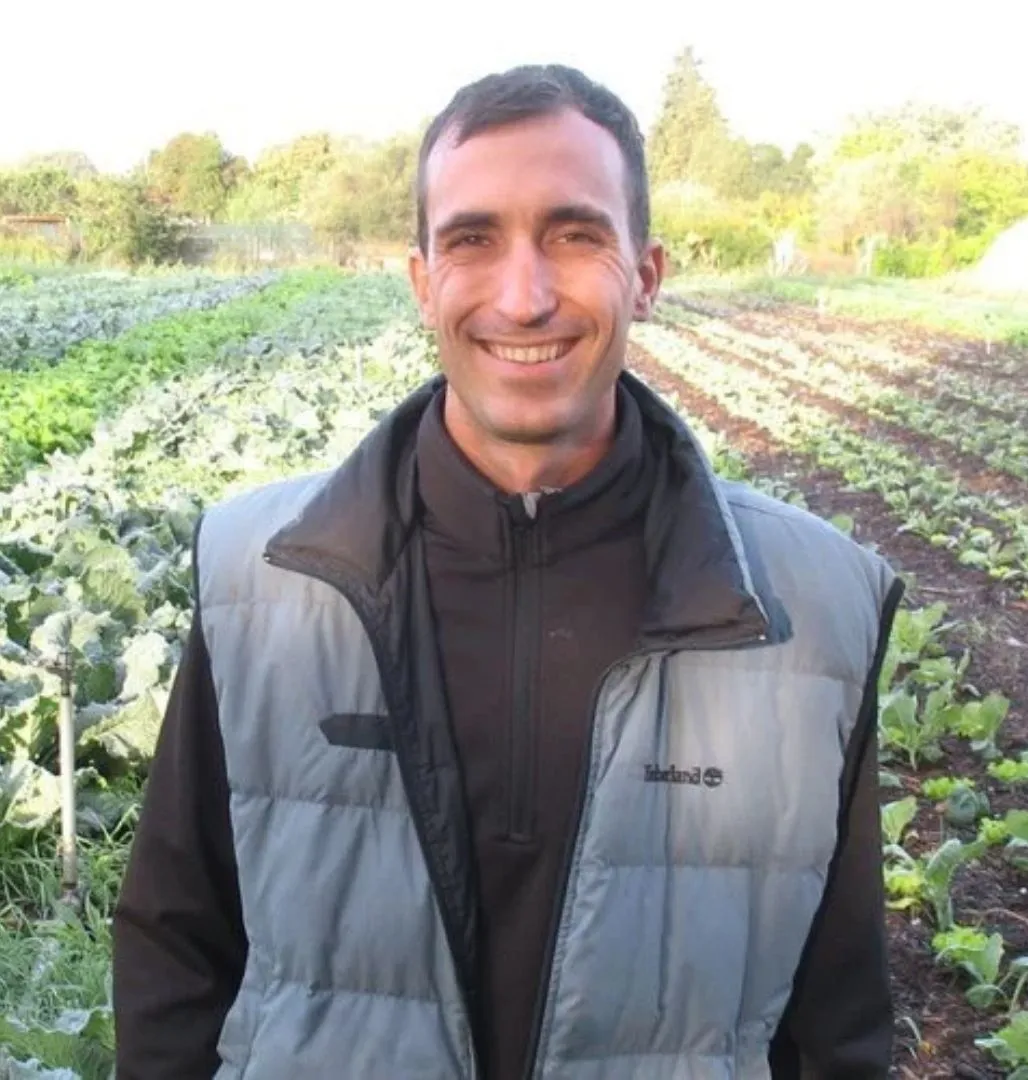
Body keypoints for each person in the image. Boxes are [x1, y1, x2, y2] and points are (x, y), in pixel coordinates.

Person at [112, 63, 903, 1079]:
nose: (524, 297)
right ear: (422, 281)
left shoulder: (814, 608)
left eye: (575, 236)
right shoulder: (262, 580)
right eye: (473, 240)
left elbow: (837, 1020)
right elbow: (177, 951)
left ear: (646, 275)